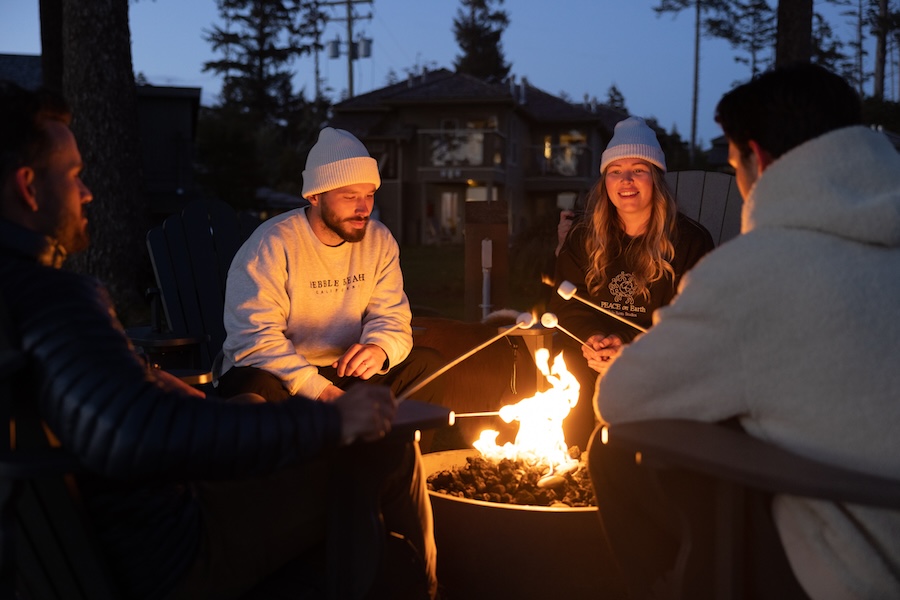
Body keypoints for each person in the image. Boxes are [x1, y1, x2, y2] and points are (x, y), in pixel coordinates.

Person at [0, 81, 438, 599]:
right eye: (74, 176)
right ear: (29, 187)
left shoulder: (19, 297)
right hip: (174, 548)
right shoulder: (56, 299)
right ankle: (426, 587)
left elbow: (107, 407)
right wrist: (330, 419)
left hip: (101, 536)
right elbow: (141, 434)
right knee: (387, 450)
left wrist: (148, 381)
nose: (87, 191)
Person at [593, 63, 900, 599]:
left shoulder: (755, 271)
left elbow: (622, 396)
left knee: (614, 448)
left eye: (734, 166)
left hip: (844, 571)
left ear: (756, 161)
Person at [216, 127, 445, 409]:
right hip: (278, 373)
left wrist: (379, 348)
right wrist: (320, 390)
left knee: (426, 365)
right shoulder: (272, 244)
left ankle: (400, 452)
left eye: (369, 195)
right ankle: (310, 449)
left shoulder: (378, 240)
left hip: (342, 370)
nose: (364, 208)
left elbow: (391, 316)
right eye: (350, 197)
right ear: (315, 196)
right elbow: (254, 338)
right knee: (257, 387)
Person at [547, 116, 714, 450]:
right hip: (590, 354)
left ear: (655, 177)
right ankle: (572, 464)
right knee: (568, 369)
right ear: (605, 181)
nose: (626, 179)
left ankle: (638, 469)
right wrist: (594, 339)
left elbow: (696, 319)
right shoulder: (583, 238)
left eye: (638, 169)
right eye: (615, 170)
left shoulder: (690, 243)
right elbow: (565, 304)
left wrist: (628, 346)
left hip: (658, 357)